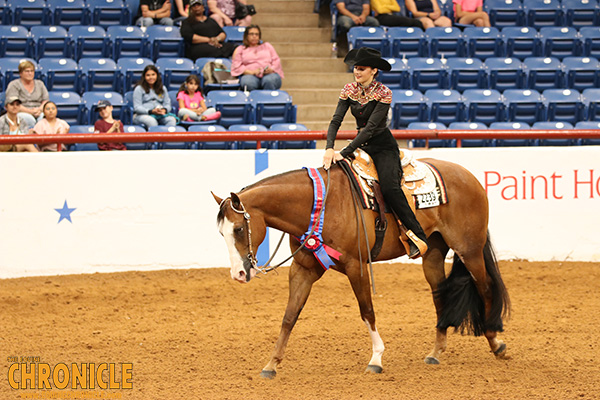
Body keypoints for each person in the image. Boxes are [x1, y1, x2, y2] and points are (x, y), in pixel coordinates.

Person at [322, 47, 428, 259]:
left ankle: (418, 235)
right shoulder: (348, 89)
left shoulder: (384, 93)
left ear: (374, 71)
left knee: (389, 187)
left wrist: (345, 151)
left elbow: (371, 128)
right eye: (355, 68)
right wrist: (329, 148)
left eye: (361, 69)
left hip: (382, 146)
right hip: (361, 144)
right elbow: (336, 120)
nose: (357, 72)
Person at [231, 25, 284, 91]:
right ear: (246, 36)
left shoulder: (267, 46)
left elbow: (276, 60)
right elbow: (236, 66)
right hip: (250, 75)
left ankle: (268, 100)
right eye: (251, 34)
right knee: (248, 82)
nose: (254, 36)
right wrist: (252, 72)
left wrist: (271, 69)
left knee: (269, 80)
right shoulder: (240, 49)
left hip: (269, 74)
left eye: (256, 34)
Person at [5, 60, 49, 130]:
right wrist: (30, 111)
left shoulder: (40, 84)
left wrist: (39, 109)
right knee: (29, 119)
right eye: (27, 71)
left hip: (38, 111)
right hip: (21, 111)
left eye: (32, 71)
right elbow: (13, 104)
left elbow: (46, 101)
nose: (30, 73)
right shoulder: (14, 84)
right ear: (21, 73)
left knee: (44, 117)